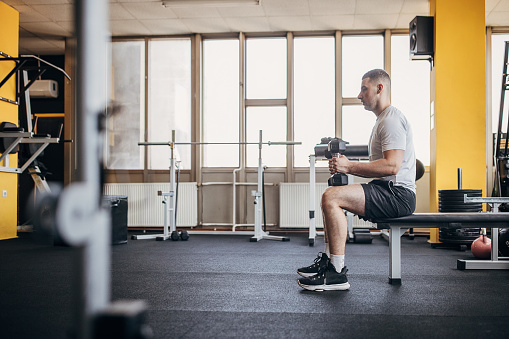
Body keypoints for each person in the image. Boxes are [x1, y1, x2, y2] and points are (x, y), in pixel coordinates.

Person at [297, 69, 416, 291]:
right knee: (330, 197)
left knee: (332, 197)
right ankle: (328, 260)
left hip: (398, 196)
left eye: (364, 89)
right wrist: (345, 164)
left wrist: (348, 166)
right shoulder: (383, 120)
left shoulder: (391, 120)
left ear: (379, 89)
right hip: (387, 190)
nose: (360, 95)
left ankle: (337, 274)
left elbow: (392, 166)